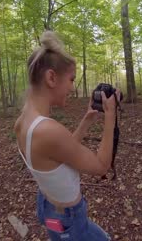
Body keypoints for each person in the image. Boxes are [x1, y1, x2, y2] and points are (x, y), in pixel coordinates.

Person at [14, 31, 118, 240]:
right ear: (51, 77)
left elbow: (59, 154)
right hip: (68, 219)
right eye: (71, 79)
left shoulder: (24, 121)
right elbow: (101, 166)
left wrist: (86, 122)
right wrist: (111, 116)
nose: (72, 87)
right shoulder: (48, 131)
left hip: (49, 205)